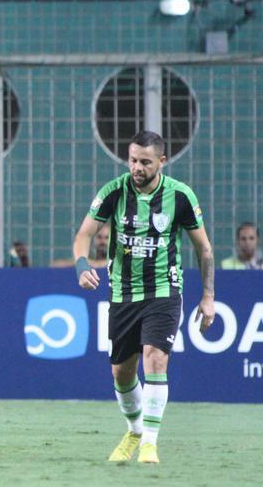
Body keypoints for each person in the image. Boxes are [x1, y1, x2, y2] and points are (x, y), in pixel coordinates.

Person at [72, 130, 215, 465]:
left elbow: (204, 248)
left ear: (162, 162)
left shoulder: (180, 197)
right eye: (133, 160)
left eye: (145, 162)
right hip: (123, 293)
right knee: (121, 373)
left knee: (155, 358)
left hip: (164, 290)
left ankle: (150, 443)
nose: (137, 167)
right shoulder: (114, 191)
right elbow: (84, 235)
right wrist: (81, 266)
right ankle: (135, 429)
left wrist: (208, 296)